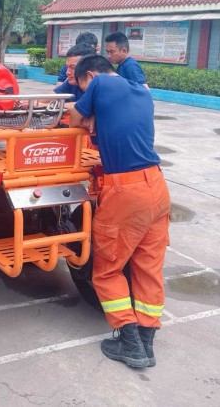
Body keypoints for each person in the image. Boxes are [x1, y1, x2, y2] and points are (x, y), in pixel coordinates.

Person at [69, 55, 170, 369]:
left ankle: (129, 342)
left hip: (126, 191)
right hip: (157, 186)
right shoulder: (141, 91)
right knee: (147, 267)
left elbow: (74, 118)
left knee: (108, 269)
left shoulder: (99, 83)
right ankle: (147, 342)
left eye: (81, 85)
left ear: (90, 76)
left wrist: (84, 113)